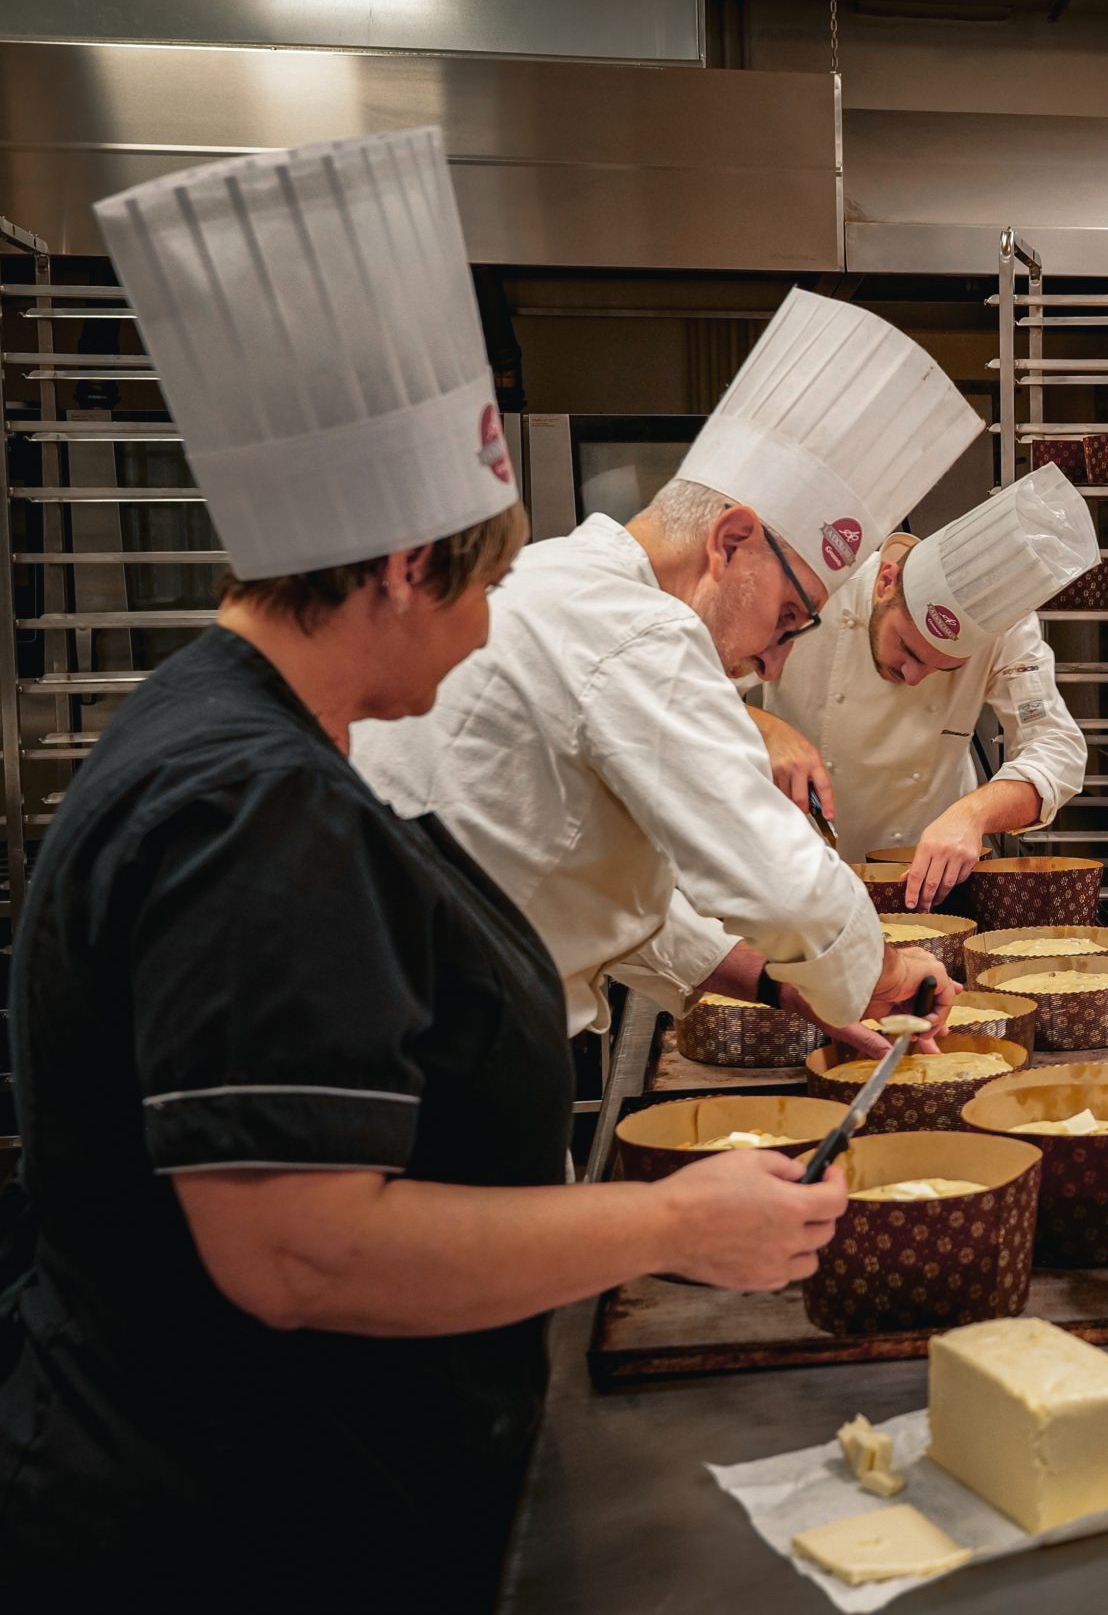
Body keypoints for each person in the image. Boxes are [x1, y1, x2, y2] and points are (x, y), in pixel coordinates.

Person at [0, 131, 850, 1609]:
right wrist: (670, 1222)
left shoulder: (237, 734)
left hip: (284, 1481)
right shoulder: (251, 805)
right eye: (483, 583)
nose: (492, 626)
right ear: (403, 567)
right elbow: (302, 1254)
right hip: (227, 1523)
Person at [353, 289, 973, 1052]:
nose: (775, 659)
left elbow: (608, 894)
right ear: (731, 541)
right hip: (436, 1049)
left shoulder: (557, 575)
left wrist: (783, 987)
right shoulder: (638, 626)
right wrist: (881, 967)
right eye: (787, 617)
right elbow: (781, 884)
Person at [746, 463, 1099, 909]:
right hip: (793, 873)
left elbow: (1056, 747)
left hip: (924, 887)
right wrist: (768, 730)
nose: (913, 678)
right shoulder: (820, 588)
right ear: (885, 582)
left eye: (944, 669)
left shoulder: (1004, 632)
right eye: (908, 649)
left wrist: (974, 814)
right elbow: (690, 684)